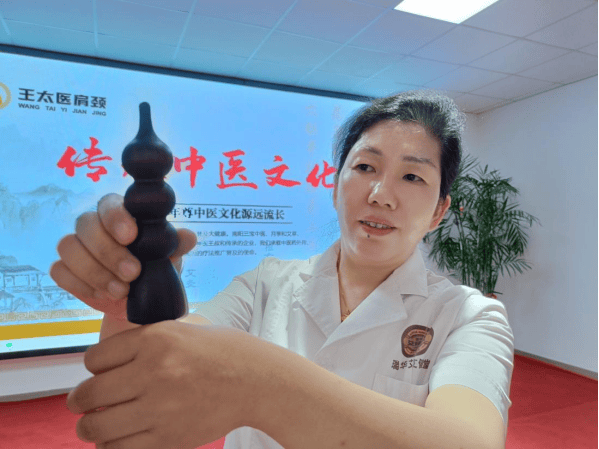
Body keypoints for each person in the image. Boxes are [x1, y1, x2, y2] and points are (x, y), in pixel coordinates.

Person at [50, 90, 514, 449]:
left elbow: (469, 442)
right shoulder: (267, 283)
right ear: (335, 186)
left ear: (439, 212)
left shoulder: (469, 316)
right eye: (365, 167)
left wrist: (263, 387)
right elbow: (158, 368)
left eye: (412, 176)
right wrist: (129, 299)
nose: (380, 195)